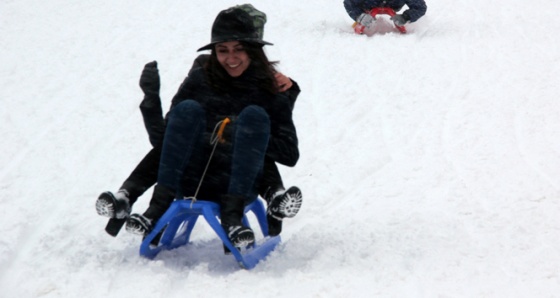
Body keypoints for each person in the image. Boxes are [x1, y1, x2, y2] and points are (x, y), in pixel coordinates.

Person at [98, 5, 302, 250]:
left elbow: (289, 155)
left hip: (239, 183)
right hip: (190, 179)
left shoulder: (271, 89)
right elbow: (165, 142)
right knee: (186, 114)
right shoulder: (200, 79)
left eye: (239, 49)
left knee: (253, 119)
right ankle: (138, 201)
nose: (231, 58)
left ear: (253, 50)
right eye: (222, 50)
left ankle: (268, 198)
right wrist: (151, 102)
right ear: (214, 52)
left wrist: (244, 136)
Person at [343, 0, 427, 28]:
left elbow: (419, 7)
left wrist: (406, 17)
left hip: (393, 4)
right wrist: (359, 16)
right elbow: (349, 3)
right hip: (368, 4)